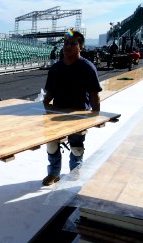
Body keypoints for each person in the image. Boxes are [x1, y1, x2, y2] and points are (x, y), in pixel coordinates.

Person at [42, 30, 102, 186]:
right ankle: (53, 174)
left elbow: (94, 94)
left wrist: (96, 116)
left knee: (76, 148)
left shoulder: (87, 67)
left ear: (80, 47)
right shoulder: (55, 69)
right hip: (57, 113)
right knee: (52, 144)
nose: (67, 46)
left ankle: (74, 175)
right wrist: (45, 109)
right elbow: (49, 95)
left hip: (79, 114)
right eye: (66, 43)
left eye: (72, 43)